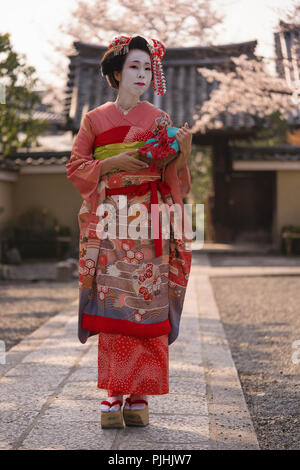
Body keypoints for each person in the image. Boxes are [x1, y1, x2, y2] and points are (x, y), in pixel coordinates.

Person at [66, 34, 193, 428]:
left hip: (151, 220)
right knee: (115, 304)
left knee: (147, 304)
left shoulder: (159, 119)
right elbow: (75, 166)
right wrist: (111, 163)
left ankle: (139, 394)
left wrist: (183, 153)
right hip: (111, 221)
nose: (142, 74)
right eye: (134, 67)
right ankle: (112, 394)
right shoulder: (94, 119)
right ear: (117, 73)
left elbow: (174, 176)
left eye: (147, 68)